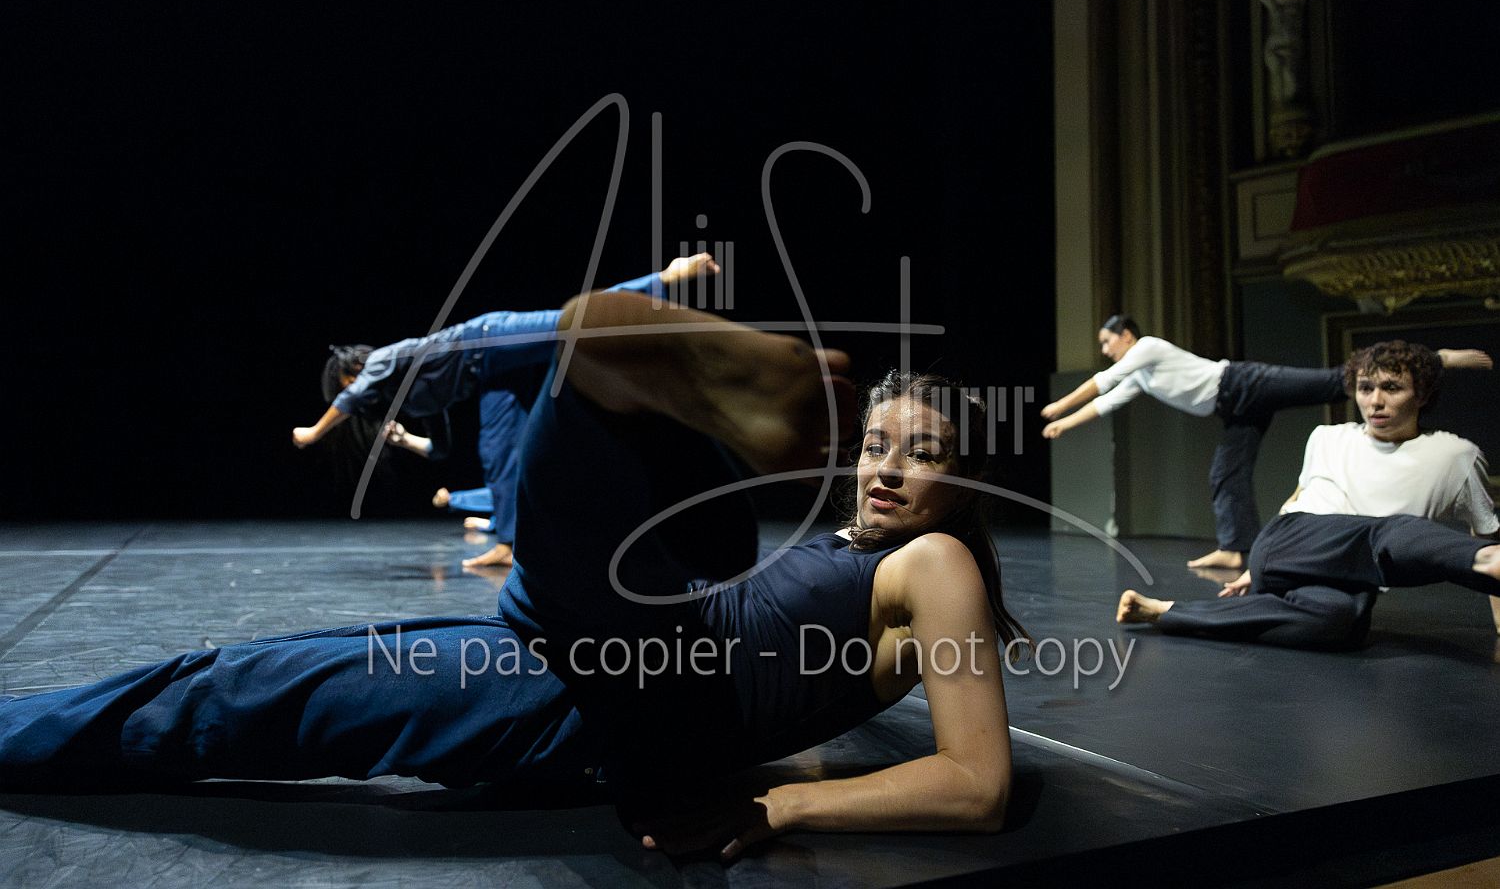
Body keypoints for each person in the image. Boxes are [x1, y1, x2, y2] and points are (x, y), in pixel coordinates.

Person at [2, 290, 1025, 861]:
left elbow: (977, 782)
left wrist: (781, 806)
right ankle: (612, 394)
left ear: (970, 477)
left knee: (247, 697)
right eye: (876, 444)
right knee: (240, 683)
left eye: (923, 453)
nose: (887, 469)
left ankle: (605, 386)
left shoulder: (939, 562)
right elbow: (848, 680)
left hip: (647, 684)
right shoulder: (868, 554)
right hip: (611, 636)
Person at [296, 253, 720, 569]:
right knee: (496, 450)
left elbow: (353, 397)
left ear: (353, 371)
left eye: (344, 383)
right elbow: (440, 448)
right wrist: (407, 440)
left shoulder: (381, 360)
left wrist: (314, 432)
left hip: (488, 338)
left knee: (571, 322)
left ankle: (665, 277)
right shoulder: (413, 397)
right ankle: (507, 544)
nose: (349, 392)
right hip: (491, 377)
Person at [1116, 340, 1500, 649]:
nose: (1375, 401)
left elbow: (1484, 529)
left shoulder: (1455, 456)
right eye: (1365, 389)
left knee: (1340, 621)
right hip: (1291, 540)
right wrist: (1258, 565)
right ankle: (1486, 562)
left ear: (1422, 394)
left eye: (1391, 388)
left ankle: (1166, 612)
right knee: (1388, 530)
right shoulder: (1328, 437)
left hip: (1352, 572)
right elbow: (1297, 501)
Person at [1040, 314, 1491, 570]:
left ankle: (1435, 358)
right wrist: (1067, 424)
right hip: (1234, 407)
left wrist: (1058, 405)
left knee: (1335, 381)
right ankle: (1235, 549)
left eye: (1107, 341)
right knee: (1225, 473)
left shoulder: (1146, 348)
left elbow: (1102, 382)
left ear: (1125, 336)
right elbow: (1109, 400)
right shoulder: (1141, 374)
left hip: (1244, 383)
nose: (1105, 349)